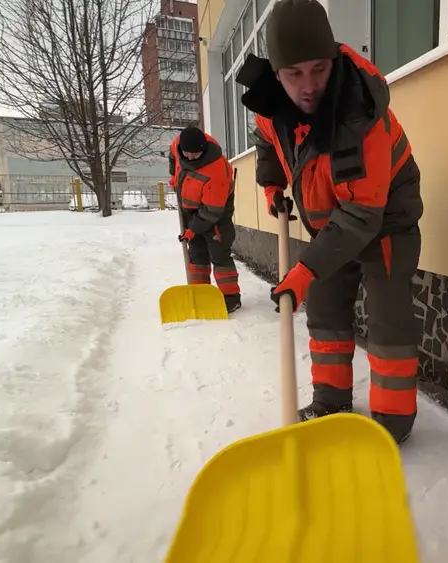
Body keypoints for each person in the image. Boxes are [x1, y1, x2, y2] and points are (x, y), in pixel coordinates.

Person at [235, 0, 424, 443]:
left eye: (318, 69)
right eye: (294, 73)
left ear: (334, 59)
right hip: (331, 226)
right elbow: (268, 140)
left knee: (387, 319)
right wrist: (271, 185)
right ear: (277, 72)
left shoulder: (360, 114)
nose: (308, 85)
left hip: (385, 223)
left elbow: (361, 213)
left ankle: (393, 422)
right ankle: (331, 400)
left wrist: (303, 269)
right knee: (324, 308)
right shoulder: (271, 103)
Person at [168, 125, 241, 313]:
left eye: (195, 153)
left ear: (203, 148)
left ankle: (231, 298)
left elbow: (211, 212)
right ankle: (200, 292)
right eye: (186, 153)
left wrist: (192, 230)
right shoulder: (178, 145)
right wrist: (172, 176)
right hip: (191, 211)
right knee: (197, 253)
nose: (190, 157)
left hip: (216, 213)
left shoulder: (216, 170)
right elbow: (172, 154)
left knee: (219, 253)